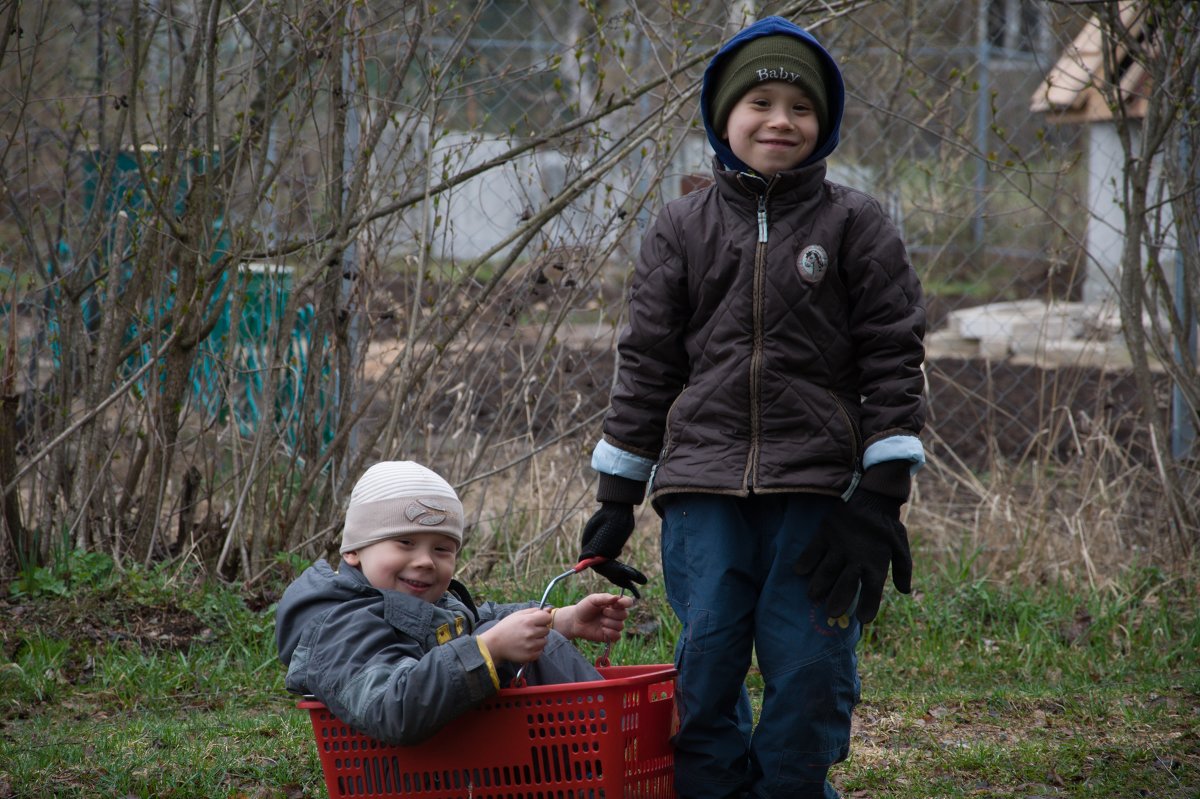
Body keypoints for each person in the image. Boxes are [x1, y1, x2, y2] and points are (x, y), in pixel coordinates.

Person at [577, 15, 926, 799]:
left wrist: (881, 497)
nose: (780, 120)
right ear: (724, 117)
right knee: (705, 662)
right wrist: (615, 496)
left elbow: (894, 355)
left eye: (800, 108)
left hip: (820, 493)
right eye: (760, 101)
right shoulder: (681, 225)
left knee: (810, 669)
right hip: (701, 490)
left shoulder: (855, 224)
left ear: (824, 123)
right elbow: (647, 362)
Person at [276, 460, 635, 745]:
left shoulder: (416, 603)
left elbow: (475, 621)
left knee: (536, 641)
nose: (425, 561)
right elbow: (393, 708)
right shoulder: (340, 626)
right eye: (404, 543)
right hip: (399, 774)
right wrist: (488, 650)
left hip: (454, 762)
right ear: (354, 550)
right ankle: (609, 747)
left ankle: (612, 742)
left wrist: (562, 620)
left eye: (442, 548)